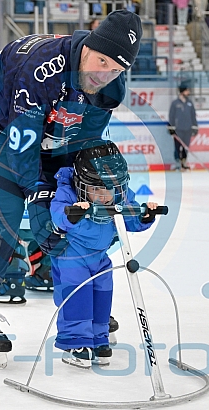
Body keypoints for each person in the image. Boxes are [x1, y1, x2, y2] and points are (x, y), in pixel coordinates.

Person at [0, 10, 142, 368]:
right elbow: (21, 149)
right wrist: (39, 196)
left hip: (46, 125)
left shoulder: (111, 87)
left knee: (71, 197)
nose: (103, 74)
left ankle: (56, 275)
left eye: (115, 69)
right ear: (88, 43)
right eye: (100, 60)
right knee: (11, 210)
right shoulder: (44, 68)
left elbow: (84, 141)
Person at [50, 141, 157, 368]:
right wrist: (72, 215)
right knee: (77, 298)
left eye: (109, 189)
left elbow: (130, 218)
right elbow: (57, 213)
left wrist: (145, 216)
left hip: (100, 259)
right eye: (96, 190)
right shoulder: (68, 192)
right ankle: (76, 343)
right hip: (72, 258)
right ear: (81, 184)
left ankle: (99, 339)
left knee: (102, 298)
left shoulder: (119, 196)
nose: (103, 196)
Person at [168, 83, 198, 170]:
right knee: (177, 147)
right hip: (178, 129)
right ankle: (177, 163)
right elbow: (171, 116)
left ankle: (184, 163)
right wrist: (171, 127)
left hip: (188, 129)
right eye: (187, 90)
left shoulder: (189, 103)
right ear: (182, 91)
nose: (188, 92)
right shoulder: (175, 103)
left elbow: (193, 115)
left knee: (186, 147)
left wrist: (195, 126)